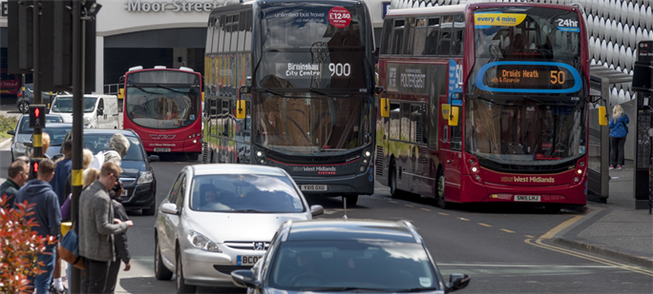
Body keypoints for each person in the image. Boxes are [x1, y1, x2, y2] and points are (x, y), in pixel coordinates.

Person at [79, 162, 133, 294]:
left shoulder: (87, 191)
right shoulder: (102, 197)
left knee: (87, 285)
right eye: (115, 179)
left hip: (86, 249)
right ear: (110, 176)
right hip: (99, 252)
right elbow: (103, 228)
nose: (115, 183)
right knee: (97, 288)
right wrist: (123, 225)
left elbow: (88, 217)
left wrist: (111, 220)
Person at [13, 159, 61, 294]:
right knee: (43, 284)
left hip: (26, 244)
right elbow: (55, 224)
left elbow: (16, 217)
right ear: (52, 174)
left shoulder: (22, 192)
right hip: (44, 245)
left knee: (27, 283)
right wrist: (53, 242)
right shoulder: (50, 196)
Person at [103, 179, 131, 294]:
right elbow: (120, 236)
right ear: (119, 191)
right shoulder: (116, 207)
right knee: (108, 287)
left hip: (94, 251)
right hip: (111, 253)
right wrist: (126, 258)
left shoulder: (101, 201)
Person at [608, 104, 629, 170]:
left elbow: (610, 125)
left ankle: (612, 165)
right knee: (621, 149)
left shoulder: (613, 117)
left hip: (613, 135)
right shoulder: (625, 115)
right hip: (622, 134)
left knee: (613, 149)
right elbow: (627, 122)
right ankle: (619, 165)